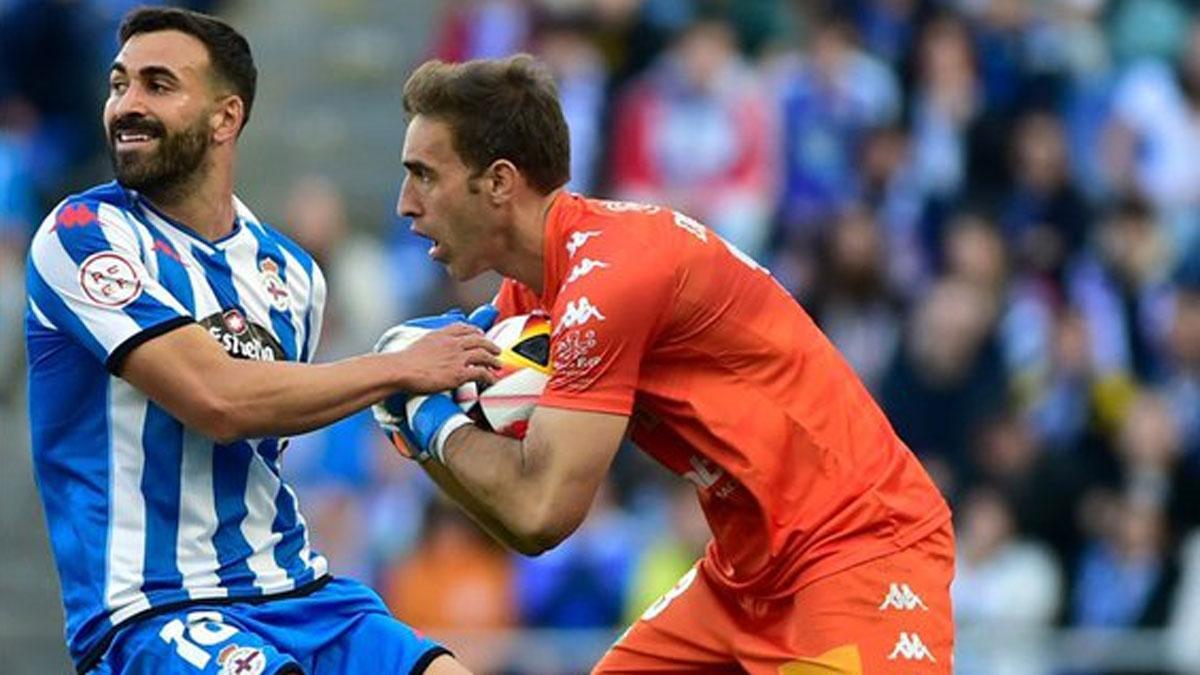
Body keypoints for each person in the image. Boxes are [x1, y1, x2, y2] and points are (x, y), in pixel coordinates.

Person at [379, 54, 955, 673]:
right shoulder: (534, 295)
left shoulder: (609, 282)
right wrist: (410, 418)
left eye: (424, 176)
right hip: (745, 576)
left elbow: (539, 514)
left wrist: (426, 422)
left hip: (858, 549)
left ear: (498, 182)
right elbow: (504, 504)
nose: (405, 204)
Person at [24, 8, 498, 675]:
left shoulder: (293, 275)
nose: (127, 105)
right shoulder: (83, 234)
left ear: (226, 117)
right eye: (118, 84)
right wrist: (396, 369)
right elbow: (220, 400)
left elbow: (272, 425)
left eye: (158, 85)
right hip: (158, 610)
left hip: (300, 592)